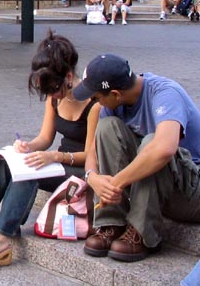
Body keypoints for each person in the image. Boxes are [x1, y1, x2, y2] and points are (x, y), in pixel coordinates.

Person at [0, 31, 99, 272]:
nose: (52, 96)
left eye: (54, 89)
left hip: (81, 169)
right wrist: (27, 147)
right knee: (5, 164)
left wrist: (54, 156)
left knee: (30, 172)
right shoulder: (53, 99)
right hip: (59, 163)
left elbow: (92, 155)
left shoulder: (94, 104)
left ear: (69, 77)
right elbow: (45, 137)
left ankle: (1, 237)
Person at [72, 54, 200, 263]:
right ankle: (112, 224)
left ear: (115, 93)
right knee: (106, 128)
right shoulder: (111, 105)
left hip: (191, 189)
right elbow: (93, 153)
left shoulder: (166, 93)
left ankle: (143, 232)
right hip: (158, 187)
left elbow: (164, 149)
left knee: (153, 144)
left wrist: (117, 182)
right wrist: (92, 177)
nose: (94, 103)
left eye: (96, 98)